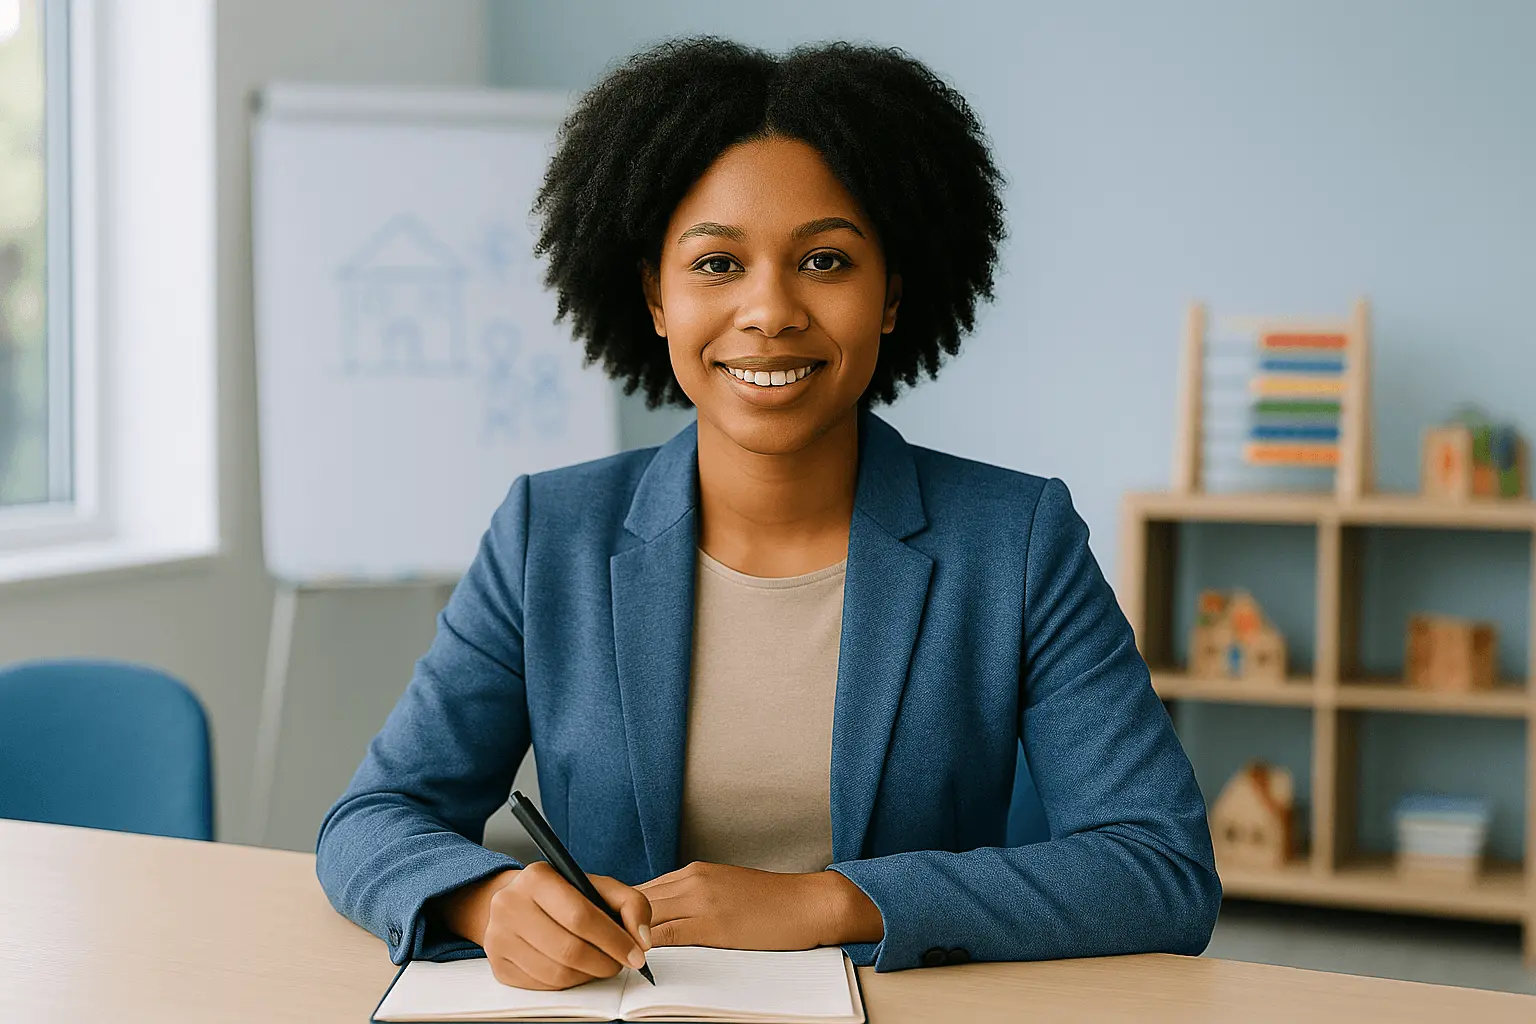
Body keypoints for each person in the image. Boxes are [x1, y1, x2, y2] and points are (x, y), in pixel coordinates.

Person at [316, 37, 1221, 992]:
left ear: (892, 297)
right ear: (654, 298)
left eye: (825, 260)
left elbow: (1160, 868)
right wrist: (485, 898)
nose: (769, 310)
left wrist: (833, 901)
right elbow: (372, 819)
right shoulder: (552, 532)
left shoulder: (1017, 540)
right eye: (715, 264)